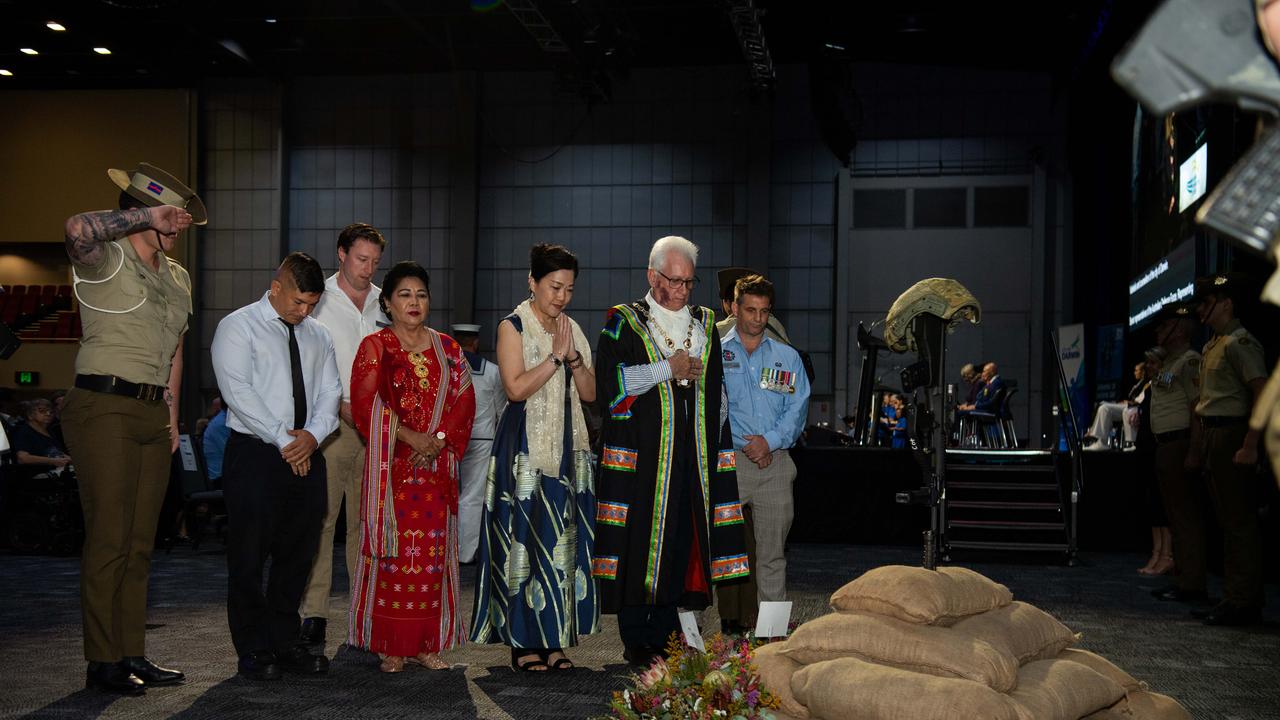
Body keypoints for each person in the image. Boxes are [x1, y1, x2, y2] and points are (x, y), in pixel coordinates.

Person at [61, 162, 200, 695]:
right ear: (138, 213)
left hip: (149, 413)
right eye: (167, 213)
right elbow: (76, 228)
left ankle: (130, 652)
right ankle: (101, 661)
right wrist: (147, 213)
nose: (176, 223)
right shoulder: (105, 259)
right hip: (103, 405)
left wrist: (171, 420)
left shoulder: (178, 275)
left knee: (142, 542)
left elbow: (176, 353)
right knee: (110, 538)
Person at [593, 235, 749, 667]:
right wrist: (668, 369)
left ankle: (665, 633)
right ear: (652, 275)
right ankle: (636, 636)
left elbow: (717, 389)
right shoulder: (624, 321)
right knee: (638, 541)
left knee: (681, 542)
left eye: (687, 282)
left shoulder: (703, 323)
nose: (679, 291)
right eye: (672, 281)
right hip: (642, 460)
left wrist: (718, 444)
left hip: (691, 457)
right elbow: (612, 384)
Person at [470, 244, 600, 671]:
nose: (561, 297)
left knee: (561, 543)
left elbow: (590, 394)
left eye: (569, 289)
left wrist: (576, 358)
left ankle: (557, 638)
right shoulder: (514, 326)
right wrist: (554, 358)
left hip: (567, 446)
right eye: (554, 287)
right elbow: (515, 388)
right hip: (524, 448)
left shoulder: (572, 327)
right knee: (523, 542)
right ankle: (523, 642)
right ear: (533, 282)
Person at [211, 252, 341, 680]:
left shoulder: (318, 334)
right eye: (297, 302)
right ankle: (252, 647)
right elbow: (238, 393)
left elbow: (329, 392)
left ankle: (284, 641)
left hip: (306, 449)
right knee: (249, 554)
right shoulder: (238, 326)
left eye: (311, 304)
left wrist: (311, 437)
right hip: (256, 453)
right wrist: (288, 440)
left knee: (299, 553)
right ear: (277, 285)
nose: (303, 312)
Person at [348, 261, 475, 673]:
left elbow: (464, 401)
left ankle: (424, 643)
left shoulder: (449, 349)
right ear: (387, 302)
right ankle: (392, 646)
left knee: (431, 560)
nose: (414, 302)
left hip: (435, 473)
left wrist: (436, 442)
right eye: (404, 294)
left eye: (421, 294)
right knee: (395, 559)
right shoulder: (376, 347)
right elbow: (366, 407)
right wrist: (410, 438)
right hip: (394, 473)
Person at [300, 223, 387, 646]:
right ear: (341, 254)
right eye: (360, 259)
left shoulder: (384, 302)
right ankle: (313, 612)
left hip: (377, 428)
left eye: (374, 261)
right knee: (321, 519)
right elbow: (308, 364)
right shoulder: (319, 299)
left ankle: (362, 611)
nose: (367, 268)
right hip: (331, 426)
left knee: (365, 524)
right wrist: (340, 406)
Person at [717, 274, 810, 633]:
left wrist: (768, 443)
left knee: (772, 557)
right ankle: (689, 641)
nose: (757, 318)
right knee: (713, 552)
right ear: (735, 308)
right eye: (750, 310)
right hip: (730, 464)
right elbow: (713, 408)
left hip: (775, 465)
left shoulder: (787, 357)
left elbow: (797, 409)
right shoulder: (716, 354)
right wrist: (751, 444)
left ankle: (771, 635)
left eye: (764, 311)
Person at [1187, 273, 1267, 626]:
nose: (1201, 310)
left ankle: (1244, 602)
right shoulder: (1214, 344)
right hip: (1213, 436)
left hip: (1232, 435)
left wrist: (1251, 444)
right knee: (1227, 520)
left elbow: (1262, 393)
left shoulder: (1239, 342)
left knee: (1239, 522)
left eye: (1207, 303)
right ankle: (1235, 596)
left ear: (1226, 303)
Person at [1148, 304, 1206, 603]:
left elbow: (1197, 408)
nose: (1158, 332)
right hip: (1165, 445)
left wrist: (1194, 451)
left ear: (1179, 329)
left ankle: (1192, 583)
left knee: (1185, 517)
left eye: (1163, 326)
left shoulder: (1190, 361)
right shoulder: (1170, 363)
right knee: (1176, 516)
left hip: (1181, 443)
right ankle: (1184, 578)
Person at [452, 322, 506, 566]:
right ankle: (465, 553)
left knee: (448, 495)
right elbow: (500, 409)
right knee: (472, 498)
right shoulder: (493, 371)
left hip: (449, 440)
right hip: (482, 439)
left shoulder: (446, 367)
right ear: (475, 343)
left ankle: (446, 550)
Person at [1083, 361, 1151, 451]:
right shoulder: (1137, 385)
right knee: (1104, 407)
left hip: (1137, 407)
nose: (1134, 372)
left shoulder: (1148, 383)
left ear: (1143, 372)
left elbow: (1143, 399)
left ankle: (1132, 443)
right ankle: (1101, 442)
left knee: (1119, 409)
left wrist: (1131, 403)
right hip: (1130, 405)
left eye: (1136, 370)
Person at [12, 399, 72, 477]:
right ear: (30, 415)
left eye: (51, 412)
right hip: (36, 476)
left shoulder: (49, 430)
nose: (48, 414)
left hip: (56, 471)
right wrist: (53, 461)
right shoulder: (23, 431)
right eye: (42, 411)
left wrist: (70, 459)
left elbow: (56, 452)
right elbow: (22, 458)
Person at [202, 401, 230, 484]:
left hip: (223, 474)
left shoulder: (224, 420)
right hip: (218, 477)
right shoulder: (222, 423)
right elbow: (230, 454)